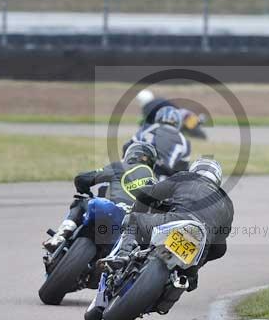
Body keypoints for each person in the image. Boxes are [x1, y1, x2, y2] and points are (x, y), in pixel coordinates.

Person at [107, 158, 234, 290]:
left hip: (176, 220)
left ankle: (123, 255)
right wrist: (200, 262)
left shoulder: (185, 177)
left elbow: (149, 194)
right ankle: (191, 273)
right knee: (217, 250)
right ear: (217, 178)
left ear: (194, 170)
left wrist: (140, 213)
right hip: (201, 241)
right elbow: (220, 244)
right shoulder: (227, 202)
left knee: (133, 219)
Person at [43, 142, 157, 252]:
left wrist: (83, 188)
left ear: (130, 155)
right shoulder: (157, 184)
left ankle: (60, 236)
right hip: (131, 228)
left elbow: (83, 178)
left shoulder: (120, 167)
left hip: (112, 211)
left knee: (81, 202)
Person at [124, 106, 191, 178]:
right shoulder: (184, 140)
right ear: (178, 122)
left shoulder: (146, 129)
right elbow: (183, 170)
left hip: (135, 172)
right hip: (163, 180)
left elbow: (126, 147)